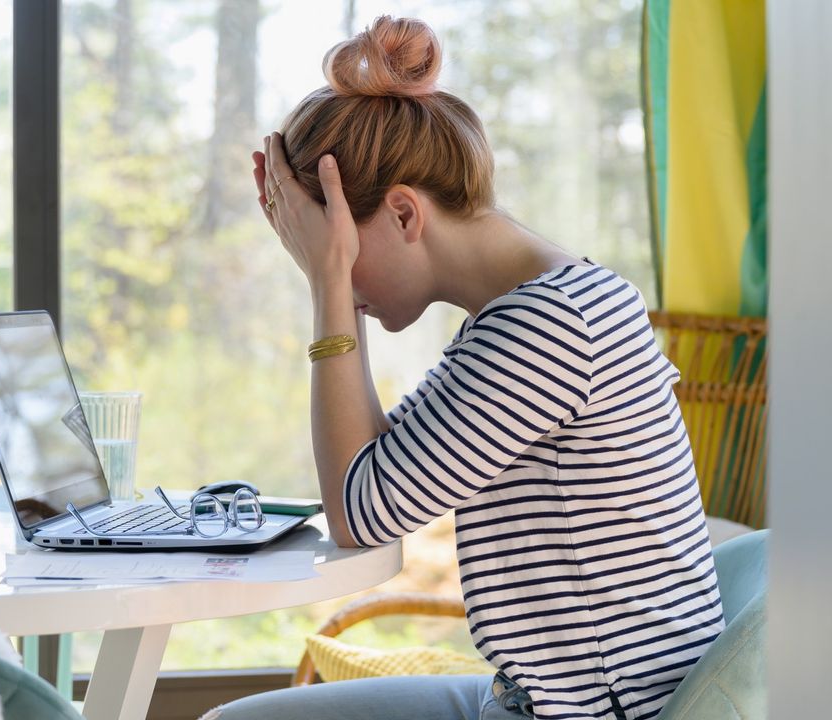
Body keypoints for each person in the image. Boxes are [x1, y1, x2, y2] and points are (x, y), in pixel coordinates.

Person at [207, 15, 723, 720]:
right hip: (540, 696)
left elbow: (359, 515)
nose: (337, 272)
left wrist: (330, 287)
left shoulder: (546, 328)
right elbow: (376, 471)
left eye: (338, 247)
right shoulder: (536, 311)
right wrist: (337, 282)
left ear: (403, 215)